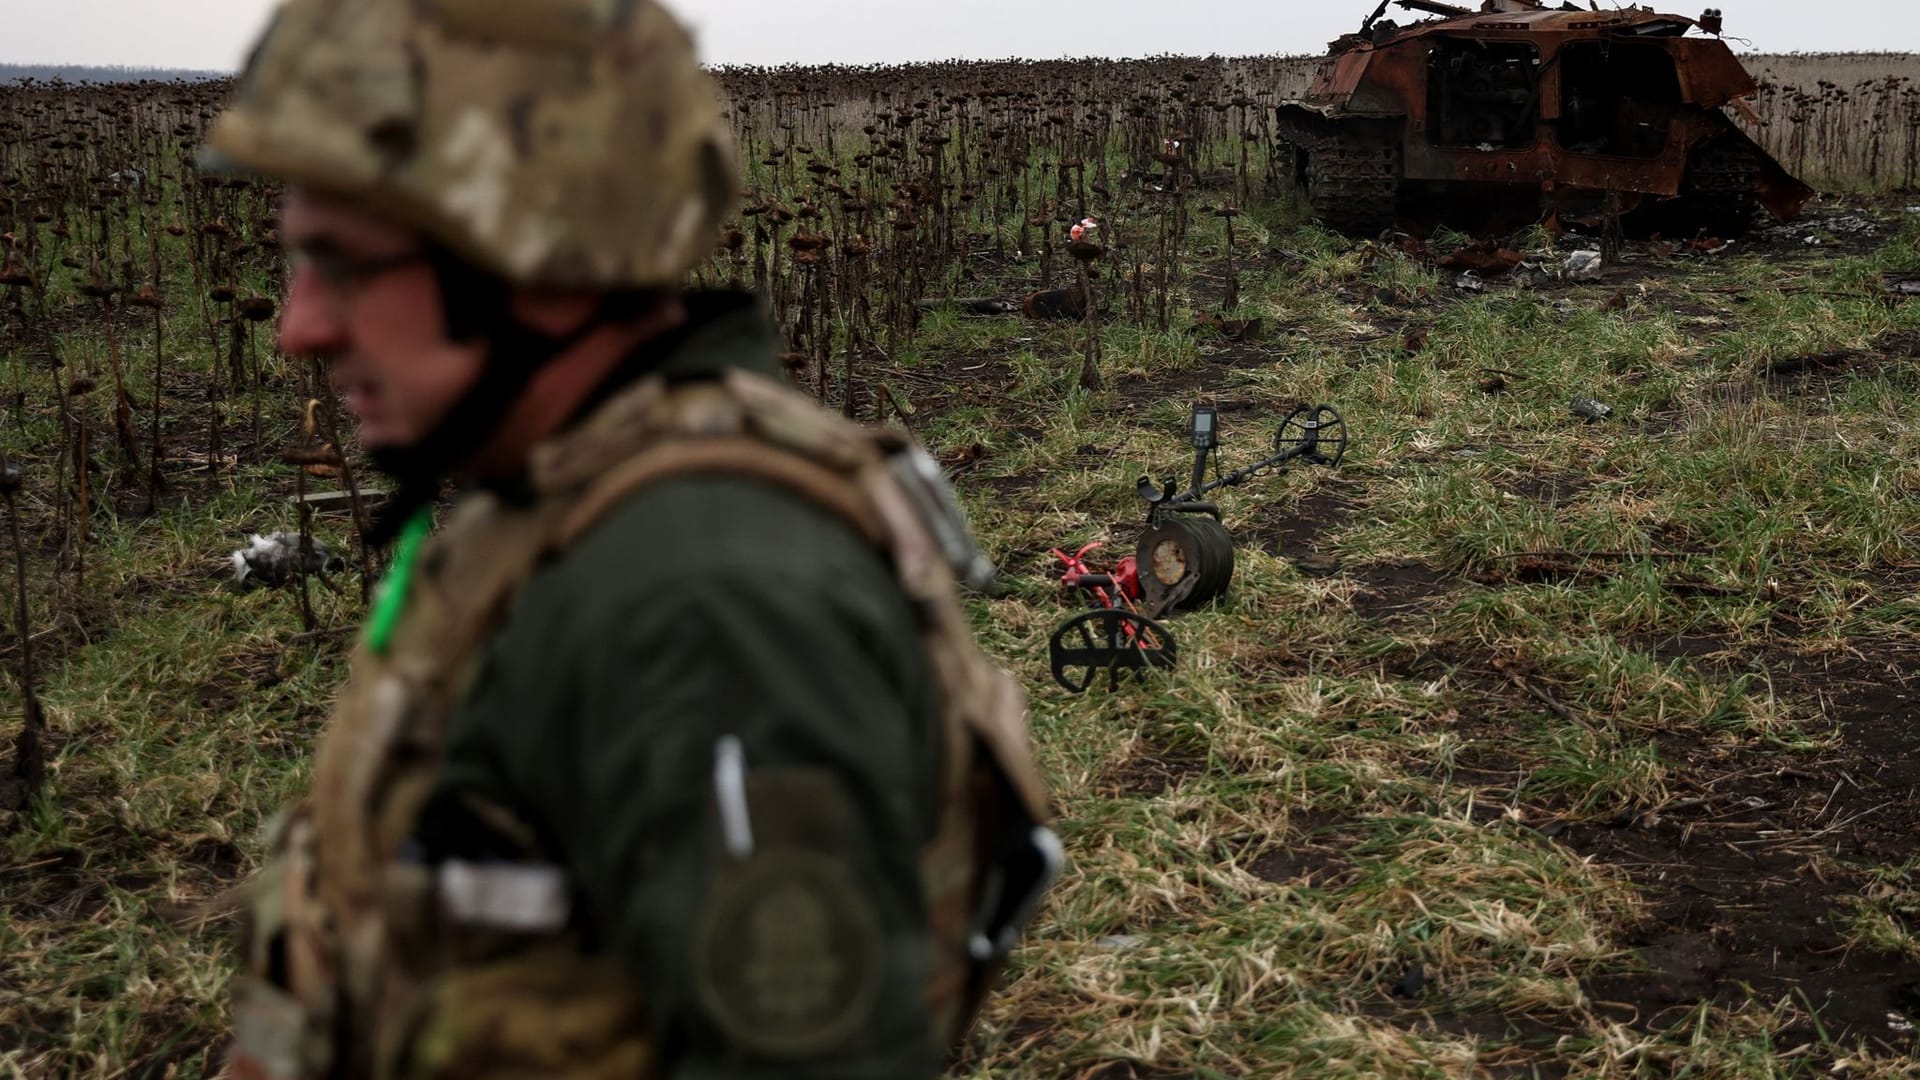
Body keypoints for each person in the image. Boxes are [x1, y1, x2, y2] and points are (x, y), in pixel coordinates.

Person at [201, 1, 1058, 1077]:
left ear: (537, 253)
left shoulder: (708, 604)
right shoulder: (552, 499)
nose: (301, 328)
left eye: (349, 265)